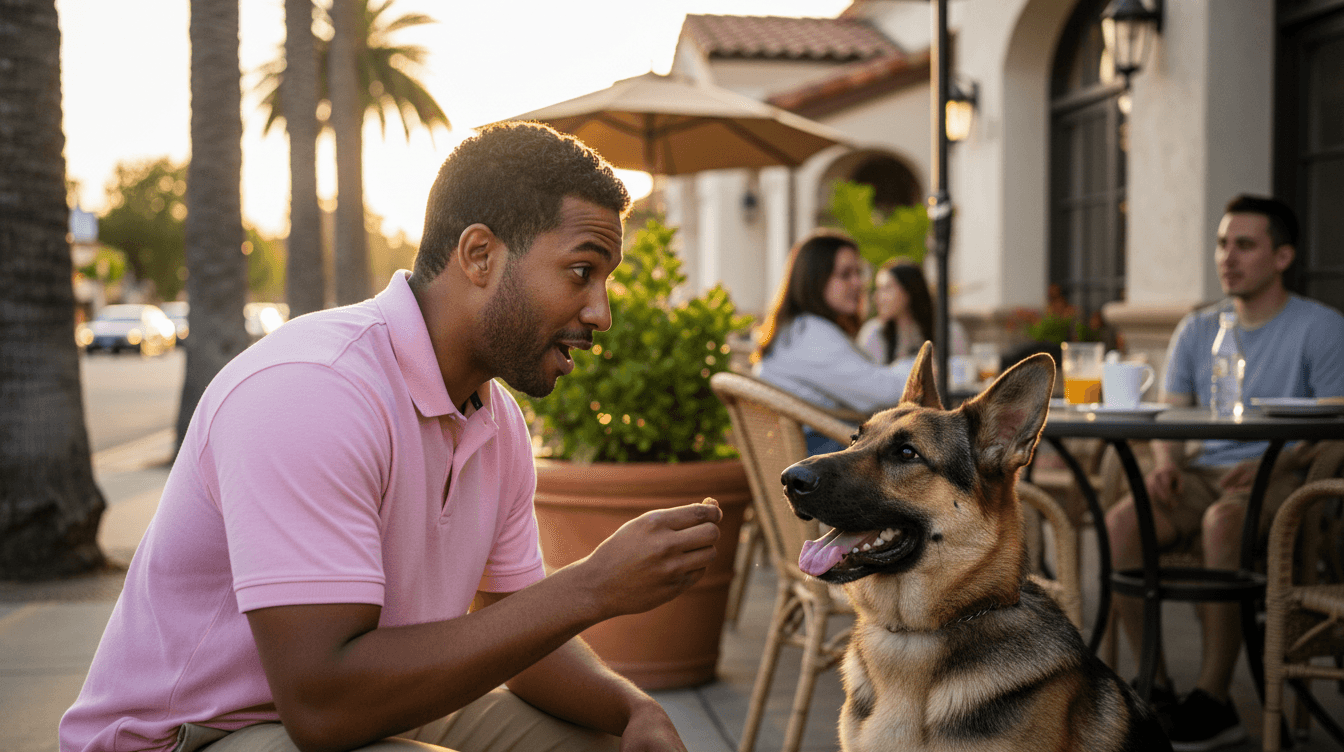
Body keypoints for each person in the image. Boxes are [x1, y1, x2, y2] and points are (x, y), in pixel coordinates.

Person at [59, 122, 724, 752]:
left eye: (606, 281)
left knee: (609, 744)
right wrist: (591, 586)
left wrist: (633, 709)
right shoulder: (313, 391)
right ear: (480, 255)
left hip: (372, 703)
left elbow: (523, 633)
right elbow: (322, 705)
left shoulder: (496, 423)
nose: (600, 313)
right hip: (193, 734)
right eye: (582, 272)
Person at [1104, 194, 1344, 751]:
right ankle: (1156, 691)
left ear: (1282, 257)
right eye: (1221, 244)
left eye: (1245, 245)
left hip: (1283, 475)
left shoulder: (1321, 327)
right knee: (1119, 524)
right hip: (1203, 472)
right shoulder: (1197, 327)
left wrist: (1274, 462)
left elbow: (1335, 426)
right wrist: (1166, 464)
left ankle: (1213, 701)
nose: (1227, 257)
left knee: (1222, 524)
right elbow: (1171, 414)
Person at [752, 230, 913, 455]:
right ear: (814, 280)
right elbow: (881, 394)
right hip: (817, 455)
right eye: (845, 274)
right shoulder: (810, 336)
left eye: (859, 272)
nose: (858, 283)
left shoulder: (795, 329)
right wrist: (924, 368)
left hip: (799, 449)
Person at [857, 258, 968, 364]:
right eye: (878, 289)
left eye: (887, 288)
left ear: (909, 290)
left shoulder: (948, 332)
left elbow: (964, 369)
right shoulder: (874, 333)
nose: (877, 297)